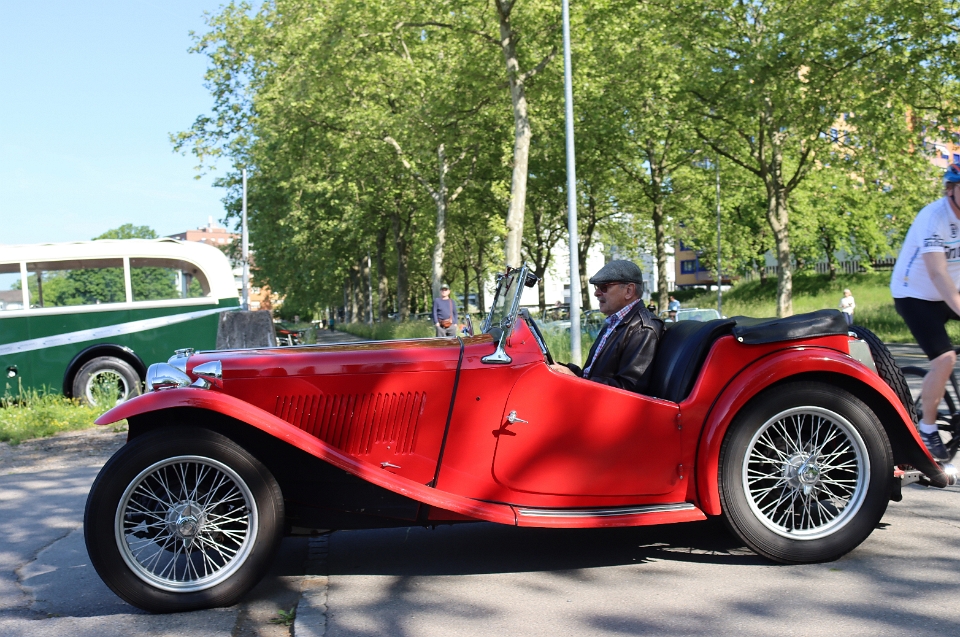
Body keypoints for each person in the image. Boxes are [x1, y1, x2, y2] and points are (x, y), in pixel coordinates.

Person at [891, 163, 960, 460]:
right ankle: (928, 429)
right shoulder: (933, 217)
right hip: (915, 295)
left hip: (950, 292)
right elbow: (937, 273)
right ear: (951, 189)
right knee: (945, 358)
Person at [550, 260, 664, 394]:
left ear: (629, 291)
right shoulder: (614, 322)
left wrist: (576, 379)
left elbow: (629, 390)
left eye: (604, 287)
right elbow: (591, 375)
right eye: (596, 287)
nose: (597, 293)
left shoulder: (643, 328)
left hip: (604, 405)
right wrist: (560, 369)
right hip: (591, 398)